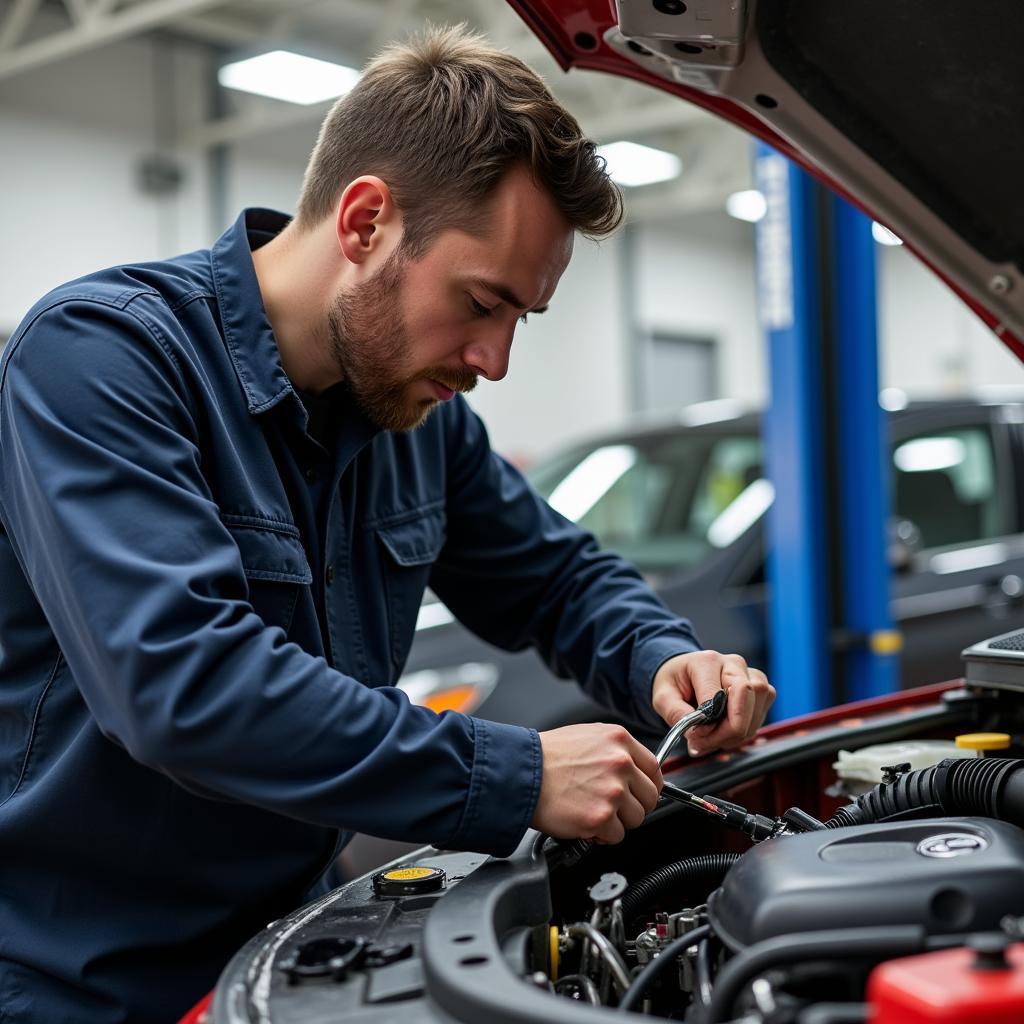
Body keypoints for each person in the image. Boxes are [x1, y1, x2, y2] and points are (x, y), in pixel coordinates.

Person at [0, 25, 774, 1024]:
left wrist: (661, 658)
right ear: (366, 220)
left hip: (293, 946)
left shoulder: (418, 421)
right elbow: (182, 684)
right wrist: (515, 771)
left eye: (519, 321)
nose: (493, 360)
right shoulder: (104, 359)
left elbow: (557, 577)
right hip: (82, 985)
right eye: (480, 302)